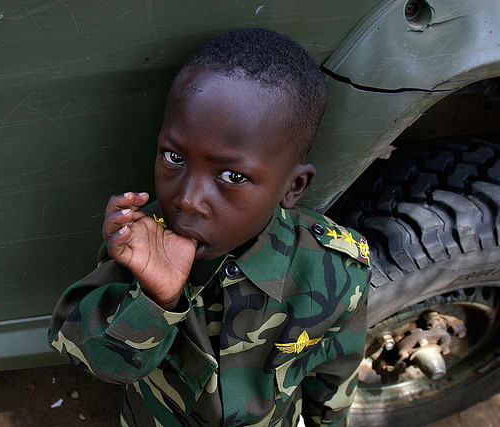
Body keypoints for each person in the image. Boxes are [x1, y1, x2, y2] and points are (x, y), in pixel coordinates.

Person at [49, 27, 371, 426]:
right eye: (173, 156)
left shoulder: (335, 270)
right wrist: (155, 300)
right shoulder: (143, 251)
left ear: (293, 186)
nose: (187, 199)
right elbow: (93, 359)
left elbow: (335, 377)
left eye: (232, 177)